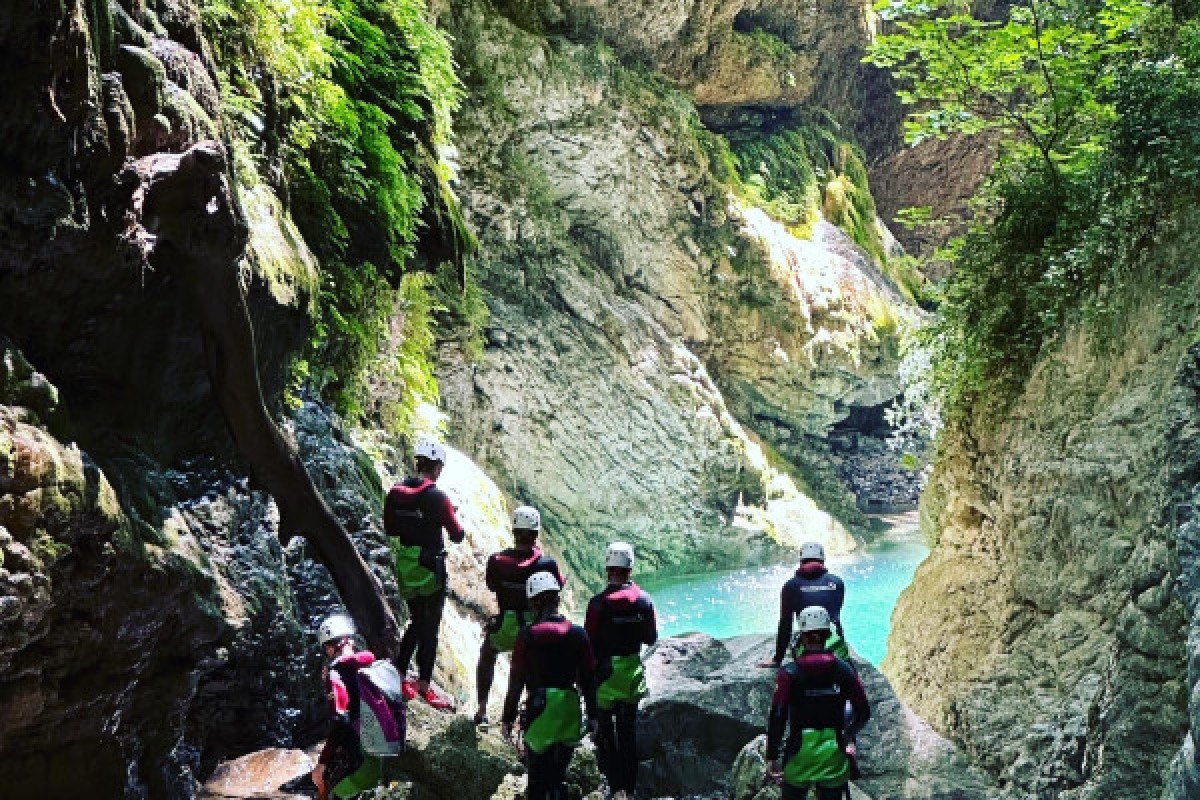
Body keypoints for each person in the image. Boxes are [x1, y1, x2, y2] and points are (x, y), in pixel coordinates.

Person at [501, 571, 598, 800]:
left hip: (540, 708)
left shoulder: (527, 637)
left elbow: (516, 681)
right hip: (569, 709)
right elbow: (588, 678)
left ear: (533, 603)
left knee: (537, 778)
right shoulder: (578, 634)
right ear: (557, 599)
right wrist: (594, 716)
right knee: (558, 775)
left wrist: (507, 718)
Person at [384, 438, 465, 710]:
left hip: (407, 565)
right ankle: (424, 685)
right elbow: (457, 535)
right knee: (430, 627)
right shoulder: (438, 498)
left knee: (417, 620)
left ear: (417, 463)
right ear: (438, 467)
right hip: (430, 569)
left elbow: (391, 529)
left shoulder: (396, 493)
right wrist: (448, 514)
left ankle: (399, 671)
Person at [765, 606, 871, 800]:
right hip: (834, 754)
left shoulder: (789, 674)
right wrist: (846, 737)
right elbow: (863, 712)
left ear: (802, 637)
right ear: (828, 634)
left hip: (799, 754)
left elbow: (778, 716)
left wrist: (772, 757)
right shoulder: (845, 670)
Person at [474, 505, 566, 726]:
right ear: (536, 534)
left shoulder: (497, 561)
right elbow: (558, 586)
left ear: (514, 531)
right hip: (535, 629)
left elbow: (492, 586)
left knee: (488, 653)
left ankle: (482, 709)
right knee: (533, 665)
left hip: (505, 626)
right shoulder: (546, 564)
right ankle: (530, 714)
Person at [584, 542, 657, 800]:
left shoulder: (597, 604)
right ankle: (630, 789)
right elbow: (651, 638)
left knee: (606, 735)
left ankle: (616, 789)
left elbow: (588, 645)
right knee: (628, 734)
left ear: (608, 568)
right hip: (631, 672)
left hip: (605, 676)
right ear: (630, 568)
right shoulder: (644, 601)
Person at [312, 614, 381, 800]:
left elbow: (341, 721)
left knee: (331, 793)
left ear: (331, 647)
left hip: (358, 749)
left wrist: (322, 763)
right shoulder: (371, 665)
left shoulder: (336, 674)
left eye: (326, 647)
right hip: (383, 745)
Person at [758, 541, 848, 669]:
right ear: (822, 560)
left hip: (808, 646)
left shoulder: (790, 586)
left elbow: (785, 624)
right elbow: (835, 616)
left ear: (801, 561)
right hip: (835, 644)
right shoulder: (838, 583)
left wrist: (777, 659)